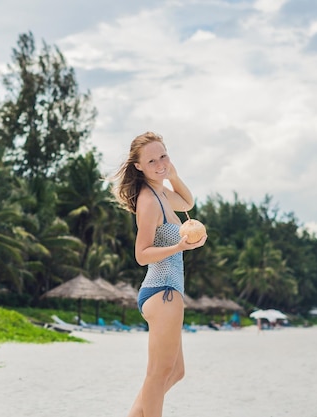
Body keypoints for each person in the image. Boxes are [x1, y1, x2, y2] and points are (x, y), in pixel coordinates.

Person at [112, 131, 207, 417]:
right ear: (138, 166)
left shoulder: (161, 192)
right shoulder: (149, 201)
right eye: (152, 160)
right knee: (158, 374)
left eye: (163, 156)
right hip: (162, 290)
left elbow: (187, 203)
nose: (160, 163)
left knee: (175, 371)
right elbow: (141, 254)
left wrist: (172, 175)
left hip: (168, 291)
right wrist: (179, 246)